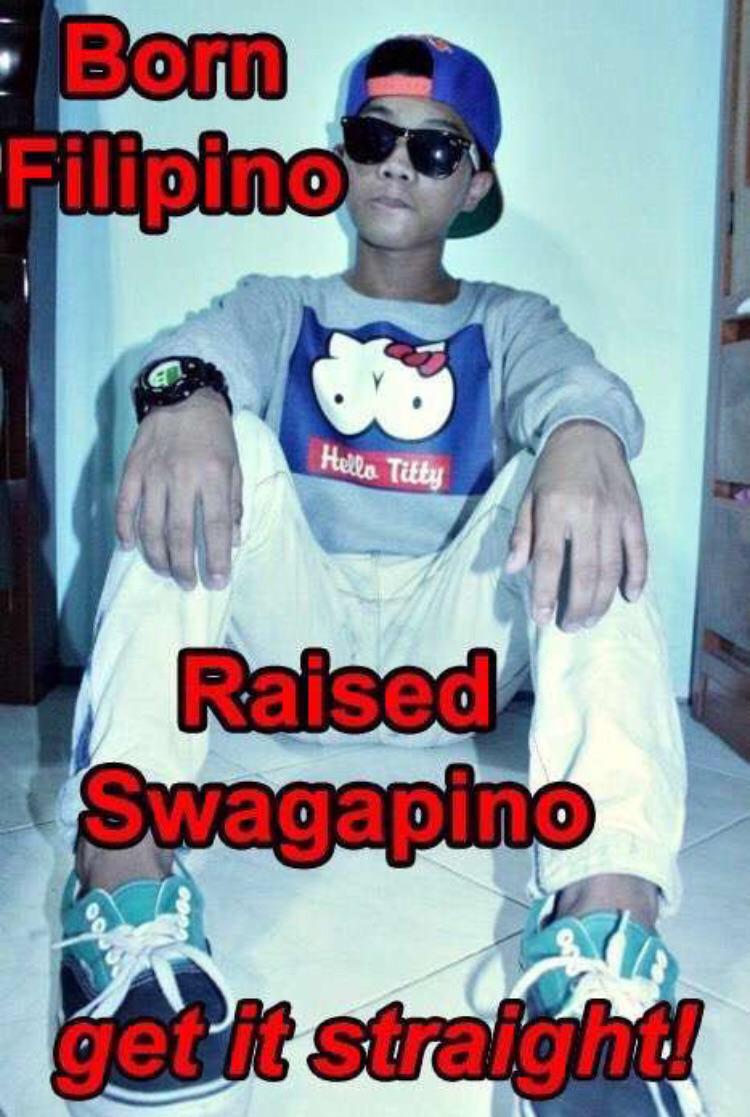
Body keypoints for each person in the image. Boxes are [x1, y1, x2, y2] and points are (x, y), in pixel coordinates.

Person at [54, 33, 707, 1117]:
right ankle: (121, 890)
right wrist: (183, 399)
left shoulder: (508, 319)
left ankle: (602, 942)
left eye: (436, 147)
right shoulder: (282, 301)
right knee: (206, 427)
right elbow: (192, 349)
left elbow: (580, 382)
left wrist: (586, 435)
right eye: (374, 137)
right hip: (293, 636)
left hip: (449, 645)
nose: (400, 164)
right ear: (343, 159)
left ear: (476, 181)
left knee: (582, 477)